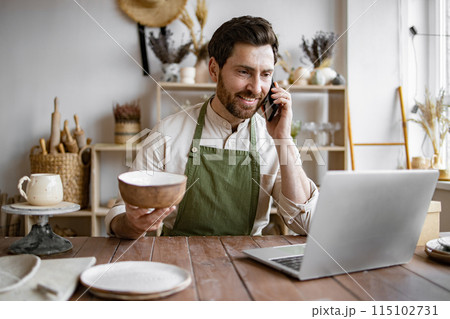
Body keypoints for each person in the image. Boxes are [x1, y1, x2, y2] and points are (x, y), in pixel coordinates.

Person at [106, 16, 318, 239]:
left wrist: (283, 139)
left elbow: (305, 224)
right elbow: (121, 213)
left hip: (248, 265)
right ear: (214, 69)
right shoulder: (167, 132)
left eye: (265, 74)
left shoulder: (273, 140)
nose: (256, 88)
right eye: (244, 72)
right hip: (180, 261)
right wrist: (132, 225)